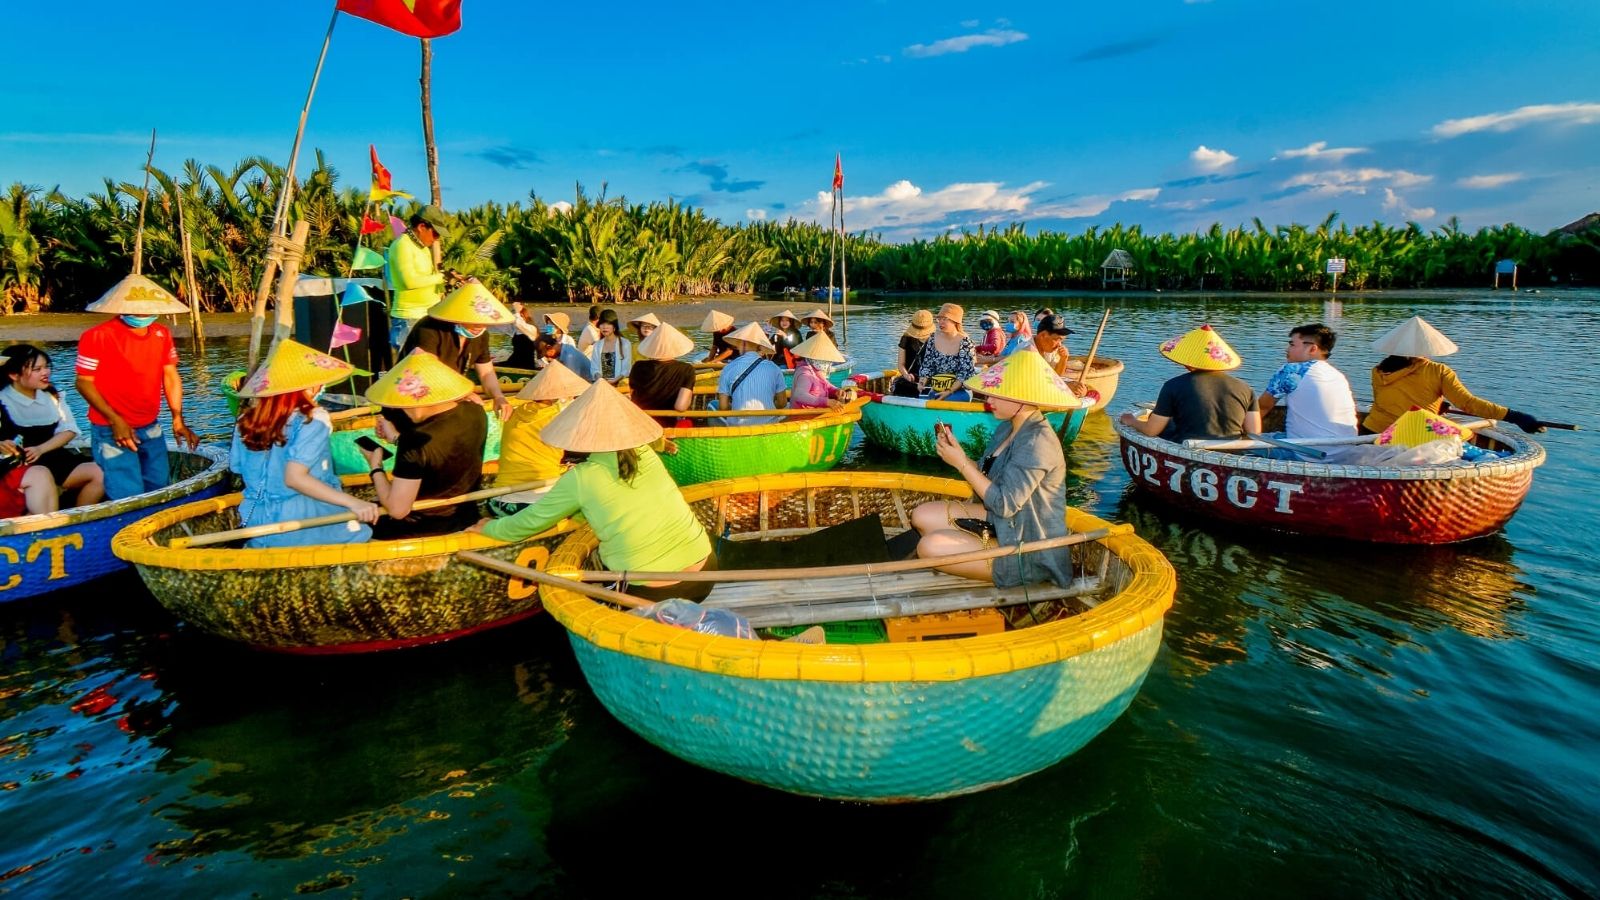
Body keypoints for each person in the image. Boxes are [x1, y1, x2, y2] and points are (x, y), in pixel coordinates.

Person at [470, 380, 715, 602]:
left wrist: (489, 527)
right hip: (706, 570)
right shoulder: (644, 452)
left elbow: (528, 523)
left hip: (653, 590)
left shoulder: (581, 477)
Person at [909, 351, 1077, 587]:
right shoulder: (1007, 428)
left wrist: (961, 463)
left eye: (997, 393)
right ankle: (969, 547)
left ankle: (1017, 571)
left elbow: (1005, 505)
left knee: (929, 546)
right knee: (921, 515)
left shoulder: (1038, 442)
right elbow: (986, 482)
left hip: (1028, 545)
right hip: (1000, 522)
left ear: (1021, 398)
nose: (988, 400)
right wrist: (960, 456)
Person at [229, 339, 379, 547]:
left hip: (258, 521)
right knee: (364, 538)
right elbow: (294, 478)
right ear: (309, 385)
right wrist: (355, 503)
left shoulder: (244, 421)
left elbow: (237, 467)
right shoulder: (314, 419)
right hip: (307, 520)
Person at [74, 274, 200, 500]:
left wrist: (177, 418)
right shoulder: (97, 336)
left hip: (150, 424)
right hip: (111, 429)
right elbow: (83, 382)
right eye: (137, 310)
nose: (142, 315)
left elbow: (170, 375)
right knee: (127, 493)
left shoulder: (161, 334)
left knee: (160, 486)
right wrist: (115, 420)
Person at [362, 349, 488, 540]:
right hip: (464, 515)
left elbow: (398, 510)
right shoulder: (476, 413)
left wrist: (375, 465)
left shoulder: (414, 441)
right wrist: (396, 438)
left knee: (350, 517)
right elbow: (438, 455)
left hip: (420, 526)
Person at [1362, 316, 1545, 435]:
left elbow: (1390, 401)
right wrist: (1515, 416)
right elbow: (1468, 404)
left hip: (1371, 431)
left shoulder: (1379, 370)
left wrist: (1435, 405)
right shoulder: (1438, 371)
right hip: (1408, 435)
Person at [0, 346, 104, 507]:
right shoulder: (3, 399)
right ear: (14, 375)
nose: (45, 372)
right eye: (37, 369)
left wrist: (41, 449)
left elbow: (69, 430)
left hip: (52, 454)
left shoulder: (52, 395)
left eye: (47, 367)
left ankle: (79, 515)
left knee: (100, 473)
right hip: (18, 462)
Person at [1120, 325, 1261, 443]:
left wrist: (1131, 420)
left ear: (1188, 362)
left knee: (1155, 418)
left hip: (1188, 445)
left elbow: (1152, 430)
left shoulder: (1173, 386)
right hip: (1231, 449)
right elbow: (1254, 432)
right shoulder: (1245, 388)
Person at [398, 282, 514, 420]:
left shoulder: (481, 335)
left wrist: (498, 397)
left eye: (484, 322)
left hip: (449, 397)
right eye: (474, 321)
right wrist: (463, 394)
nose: (480, 326)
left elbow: (486, 373)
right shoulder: (429, 328)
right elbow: (428, 371)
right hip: (415, 397)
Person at [493, 360, 590, 513]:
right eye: (572, 396)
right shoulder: (558, 418)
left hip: (499, 500)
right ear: (561, 398)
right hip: (536, 503)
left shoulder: (516, 413)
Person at [1258, 323, 1358, 440]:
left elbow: (1261, 407)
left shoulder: (1293, 371)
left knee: (1243, 443)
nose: (1287, 349)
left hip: (1306, 452)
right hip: (1344, 449)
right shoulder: (1338, 376)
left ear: (1312, 348)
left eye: (1292, 345)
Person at [385, 204, 452, 351]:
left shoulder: (423, 248)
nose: (436, 239)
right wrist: (440, 277)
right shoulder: (402, 245)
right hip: (409, 319)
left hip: (427, 316)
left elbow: (428, 279)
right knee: (410, 372)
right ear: (422, 226)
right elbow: (409, 281)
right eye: (435, 234)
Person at [715, 322, 787, 426]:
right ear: (759, 347)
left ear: (743, 344)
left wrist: (737, 407)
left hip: (739, 427)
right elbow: (782, 403)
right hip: (768, 425)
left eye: (738, 344)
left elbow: (723, 407)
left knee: (713, 405)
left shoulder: (728, 368)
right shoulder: (773, 367)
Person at [628, 322, 698, 425]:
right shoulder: (686, 369)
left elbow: (632, 394)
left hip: (640, 422)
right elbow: (680, 406)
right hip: (668, 423)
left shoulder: (638, 366)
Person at [916, 303, 977, 401]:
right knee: (922, 399)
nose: (940, 323)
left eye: (945, 319)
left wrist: (949, 391)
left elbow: (965, 373)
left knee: (949, 399)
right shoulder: (932, 338)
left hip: (959, 390)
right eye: (939, 319)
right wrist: (922, 382)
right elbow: (927, 366)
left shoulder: (965, 342)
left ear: (955, 321)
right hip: (937, 387)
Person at [789, 332, 848, 409]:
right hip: (803, 417)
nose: (827, 362)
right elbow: (799, 395)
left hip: (817, 413)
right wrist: (826, 402)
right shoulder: (805, 374)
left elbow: (826, 385)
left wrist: (836, 391)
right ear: (812, 357)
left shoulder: (816, 370)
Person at [892, 309, 935, 398]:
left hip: (931, 380)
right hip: (911, 379)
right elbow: (901, 364)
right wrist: (906, 374)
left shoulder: (937, 339)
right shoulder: (906, 338)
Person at [588, 310, 633, 384]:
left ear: (614, 326)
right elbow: (594, 368)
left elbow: (626, 369)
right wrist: (600, 379)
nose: (605, 327)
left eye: (608, 324)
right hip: (601, 383)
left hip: (619, 384)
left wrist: (613, 381)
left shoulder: (625, 343)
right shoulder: (597, 345)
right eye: (602, 324)